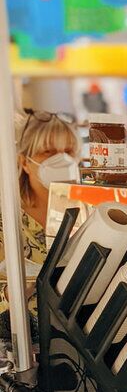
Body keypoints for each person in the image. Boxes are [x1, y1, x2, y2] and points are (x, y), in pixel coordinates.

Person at [0, 109, 79, 340]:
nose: (61, 159)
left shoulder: (87, 211)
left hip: (83, 344)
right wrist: (11, 292)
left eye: (68, 151)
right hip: (26, 347)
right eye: (49, 152)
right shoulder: (8, 220)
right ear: (25, 162)